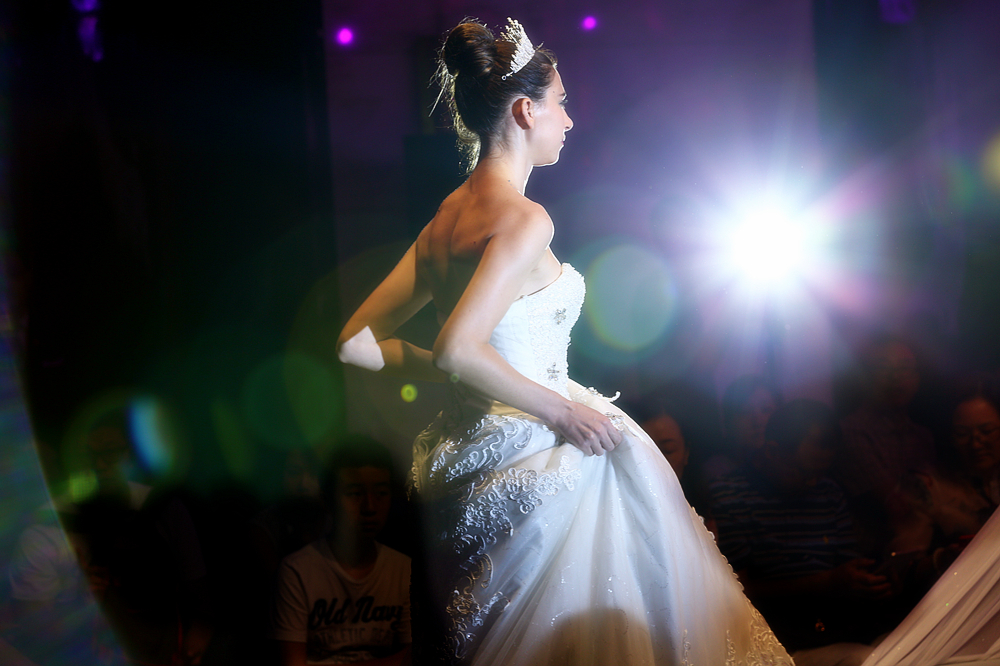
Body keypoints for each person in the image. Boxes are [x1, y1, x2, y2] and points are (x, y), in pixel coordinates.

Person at [337, 18, 792, 666]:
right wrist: (561, 411)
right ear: (526, 111)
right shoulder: (525, 219)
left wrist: (464, 371)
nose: (570, 120)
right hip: (540, 451)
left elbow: (355, 343)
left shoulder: (443, 219)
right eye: (562, 102)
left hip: (466, 456)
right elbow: (458, 348)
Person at [271, 437, 411, 666]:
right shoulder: (297, 571)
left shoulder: (402, 569)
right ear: (329, 499)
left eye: (381, 493)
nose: (369, 507)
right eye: (354, 493)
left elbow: (412, 656)